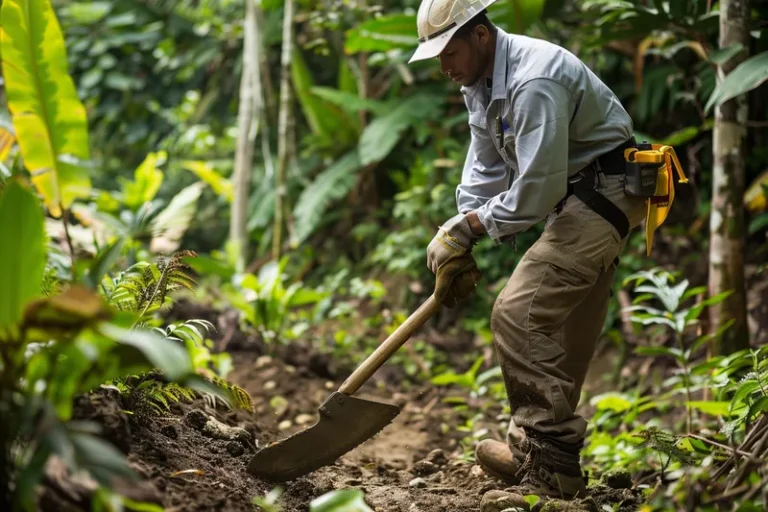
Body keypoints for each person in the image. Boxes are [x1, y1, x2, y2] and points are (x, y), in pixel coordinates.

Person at [408, 0, 648, 500]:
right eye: (436, 56)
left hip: (602, 193)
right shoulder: (480, 82)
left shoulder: (535, 79)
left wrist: (471, 227)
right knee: (565, 327)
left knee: (519, 314)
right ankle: (535, 450)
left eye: (448, 51)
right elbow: (485, 168)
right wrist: (458, 231)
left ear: (480, 35)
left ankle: (550, 465)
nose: (443, 66)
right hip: (577, 195)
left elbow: (536, 188)